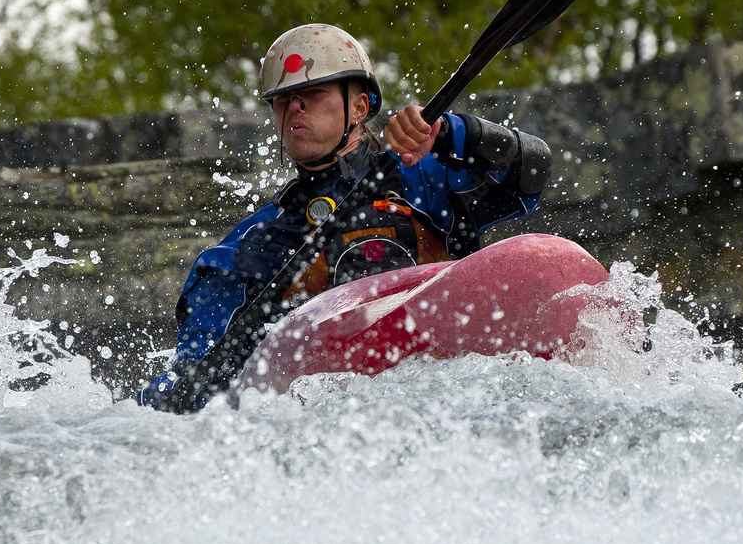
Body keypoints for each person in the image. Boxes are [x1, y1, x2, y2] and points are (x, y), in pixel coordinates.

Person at [139, 23, 551, 408]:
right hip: (337, 416)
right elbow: (193, 371)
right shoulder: (259, 241)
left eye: (313, 94)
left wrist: (449, 133)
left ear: (358, 107)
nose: (294, 107)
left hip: (453, 392)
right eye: (282, 100)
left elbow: (531, 171)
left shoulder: (426, 177)